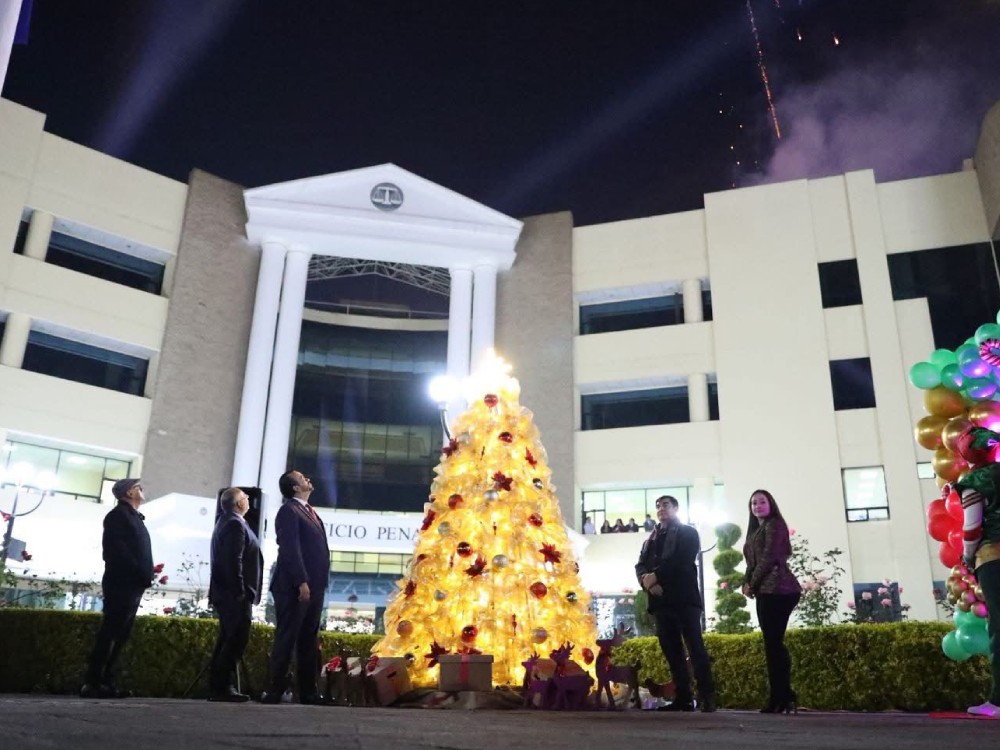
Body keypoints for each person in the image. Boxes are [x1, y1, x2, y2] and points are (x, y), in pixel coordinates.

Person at [635, 495, 715, 712]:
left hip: (685, 599)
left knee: (695, 648)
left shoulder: (688, 532)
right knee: (672, 651)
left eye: (666, 505)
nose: (661, 509)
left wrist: (656, 576)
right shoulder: (649, 540)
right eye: (658, 506)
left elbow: (682, 560)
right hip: (661, 602)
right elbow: (641, 566)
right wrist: (648, 582)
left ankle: (707, 696)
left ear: (676, 509)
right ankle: (684, 697)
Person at [261, 470, 330, 704]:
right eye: (302, 478)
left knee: (308, 640)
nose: (308, 479)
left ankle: (308, 692)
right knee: (287, 637)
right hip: (294, 586)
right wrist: (301, 581)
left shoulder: (309, 511)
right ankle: (275, 689)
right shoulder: (289, 510)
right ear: (294, 488)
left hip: (314, 586)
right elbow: (290, 548)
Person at [80, 478, 153, 699]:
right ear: (129, 493)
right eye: (138, 487)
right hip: (123, 582)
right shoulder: (118, 516)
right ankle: (95, 681)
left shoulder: (131, 517)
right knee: (112, 631)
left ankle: (106, 681)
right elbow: (117, 551)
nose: (142, 490)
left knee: (121, 633)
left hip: (131, 582)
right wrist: (139, 572)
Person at [742, 489, 801, 714]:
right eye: (753, 503)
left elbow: (768, 558)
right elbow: (751, 562)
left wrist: (752, 584)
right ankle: (782, 695)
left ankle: (782, 695)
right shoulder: (757, 530)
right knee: (772, 644)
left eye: (762, 502)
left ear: (771, 504)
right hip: (766, 591)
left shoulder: (775, 525)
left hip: (779, 590)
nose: (757, 506)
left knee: (773, 644)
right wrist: (745, 583)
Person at [955, 427, 1000, 717]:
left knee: (999, 627)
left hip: (992, 557)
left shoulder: (973, 482)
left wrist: (967, 557)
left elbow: (972, 527)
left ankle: (998, 702)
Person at [207, 487, 263, 702]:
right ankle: (223, 687)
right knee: (235, 640)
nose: (249, 500)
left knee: (228, 640)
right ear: (239, 503)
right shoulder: (234, 524)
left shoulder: (229, 521)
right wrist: (240, 592)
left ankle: (219, 686)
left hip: (229, 593)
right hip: (234, 595)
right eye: (245, 497)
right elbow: (234, 561)